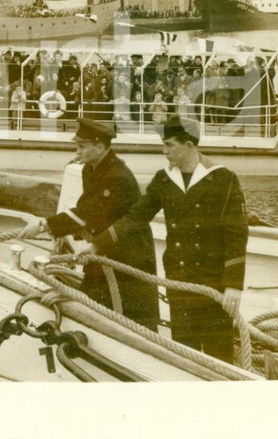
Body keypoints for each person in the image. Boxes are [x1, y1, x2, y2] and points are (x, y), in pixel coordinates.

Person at [103, 116, 248, 363]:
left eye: (170, 145)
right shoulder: (164, 179)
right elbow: (135, 217)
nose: (164, 151)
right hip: (179, 279)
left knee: (218, 352)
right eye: (164, 144)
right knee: (184, 351)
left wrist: (234, 284)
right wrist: (98, 243)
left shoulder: (223, 179)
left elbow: (237, 233)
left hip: (213, 282)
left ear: (189, 145)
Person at [28, 119, 159, 330]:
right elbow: (86, 207)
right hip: (100, 251)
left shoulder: (118, 177)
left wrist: (44, 225)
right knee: (93, 305)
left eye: (82, 146)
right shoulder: (90, 169)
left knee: (129, 320)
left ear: (99, 147)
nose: (77, 151)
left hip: (126, 258)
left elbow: (89, 212)